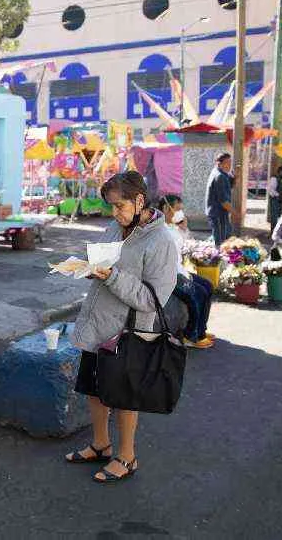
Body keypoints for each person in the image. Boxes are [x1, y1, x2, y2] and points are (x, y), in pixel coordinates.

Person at [65, 171, 178, 483]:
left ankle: (127, 457)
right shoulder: (116, 227)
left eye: (119, 206)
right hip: (97, 326)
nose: (114, 213)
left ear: (140, 200)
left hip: (127, 334)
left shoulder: (162, 241)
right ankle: (101, 445)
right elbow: (101, 260)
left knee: (124, 398)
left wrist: (111, 276)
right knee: (93, 390)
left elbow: (152, 299)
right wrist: (89, 268)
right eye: (111, 206)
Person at [158, 195, 215, 349]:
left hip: (180, 271)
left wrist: (183, 229)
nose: (180, 213)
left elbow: (182, 246)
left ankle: (201, 330)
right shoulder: (158, 229)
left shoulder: (172, 226)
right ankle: (191, 336)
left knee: (208, 286)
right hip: (168, 275)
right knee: (198, 293)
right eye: (178, 209)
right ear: (166, 208)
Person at [205, 152, 234, 245]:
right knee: (221, 242)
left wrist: (236, 176)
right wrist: (235, 213)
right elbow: (223, 201)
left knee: (223, 238)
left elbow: (230, 184)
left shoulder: (220, 173)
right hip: (218, 214)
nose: (229, 165)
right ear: (219, 164)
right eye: (227, 163)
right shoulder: (219, 176)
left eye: (230, 163)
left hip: (218, 213)